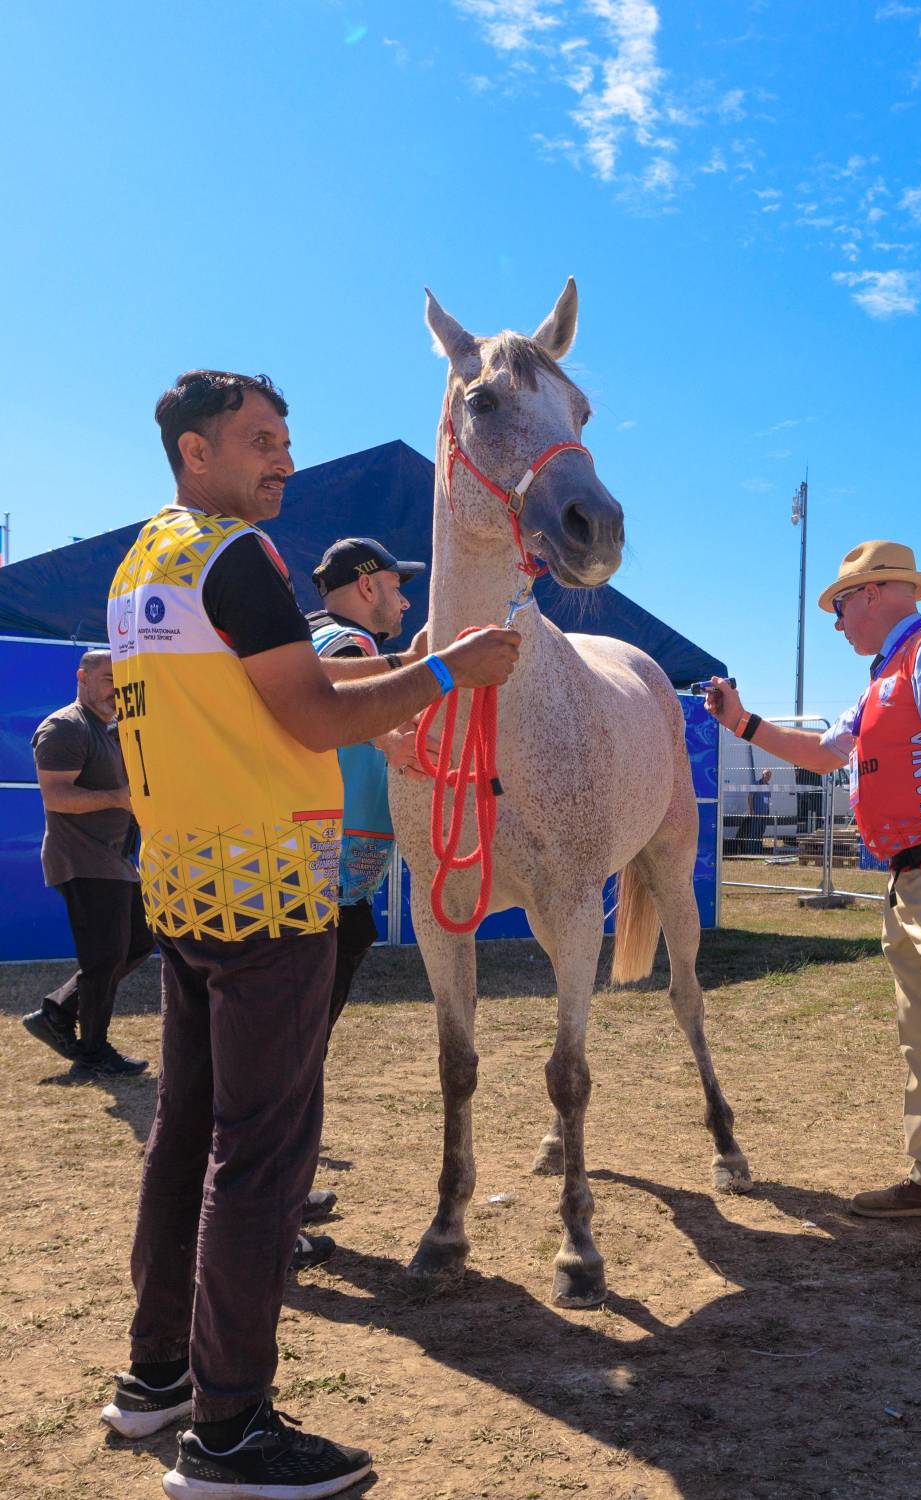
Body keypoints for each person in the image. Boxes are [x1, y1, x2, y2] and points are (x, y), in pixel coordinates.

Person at [99, 369, 520, 1500]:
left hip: (189, 888)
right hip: (273, 896)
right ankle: (229, 1433)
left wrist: (419, 667)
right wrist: (447, 671)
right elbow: (317, 716)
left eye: (285, 438)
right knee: (260, 1157)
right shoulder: (239, 558)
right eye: (259, 440)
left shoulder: (148, 564)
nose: (282, 458)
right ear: (197, 450)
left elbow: (279, 691)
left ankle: (157, 1381)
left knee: (185, 1138)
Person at [706, 540, 921, 1270]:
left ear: (875, 593)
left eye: (838, 605)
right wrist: (741, 723)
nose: (835, 622)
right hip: (911, 878)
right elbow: (824, 756)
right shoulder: (877, 685)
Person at [294, 537, 429, 1253]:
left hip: (321, 877)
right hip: (328, 883)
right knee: (295, 1051)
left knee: (295, 1048)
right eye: (398, 586)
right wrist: (393, 736)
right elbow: (348, 689)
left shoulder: (311, 639)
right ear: (367, 583)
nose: (405, 600)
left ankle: (279, 1189)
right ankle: (267, 1208)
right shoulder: (343, 642)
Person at [22, 649, 152, 1076]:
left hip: (113, 859)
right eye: (108, 678)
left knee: (136, 945)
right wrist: (118, 799)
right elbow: (56, 797)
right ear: (82, 676)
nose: (116, 688)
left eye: (122, 680)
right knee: (104, 959)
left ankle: (57, 1014)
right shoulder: (64, 727)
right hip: (80, 858)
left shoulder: (111, 729)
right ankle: (92, 1055)